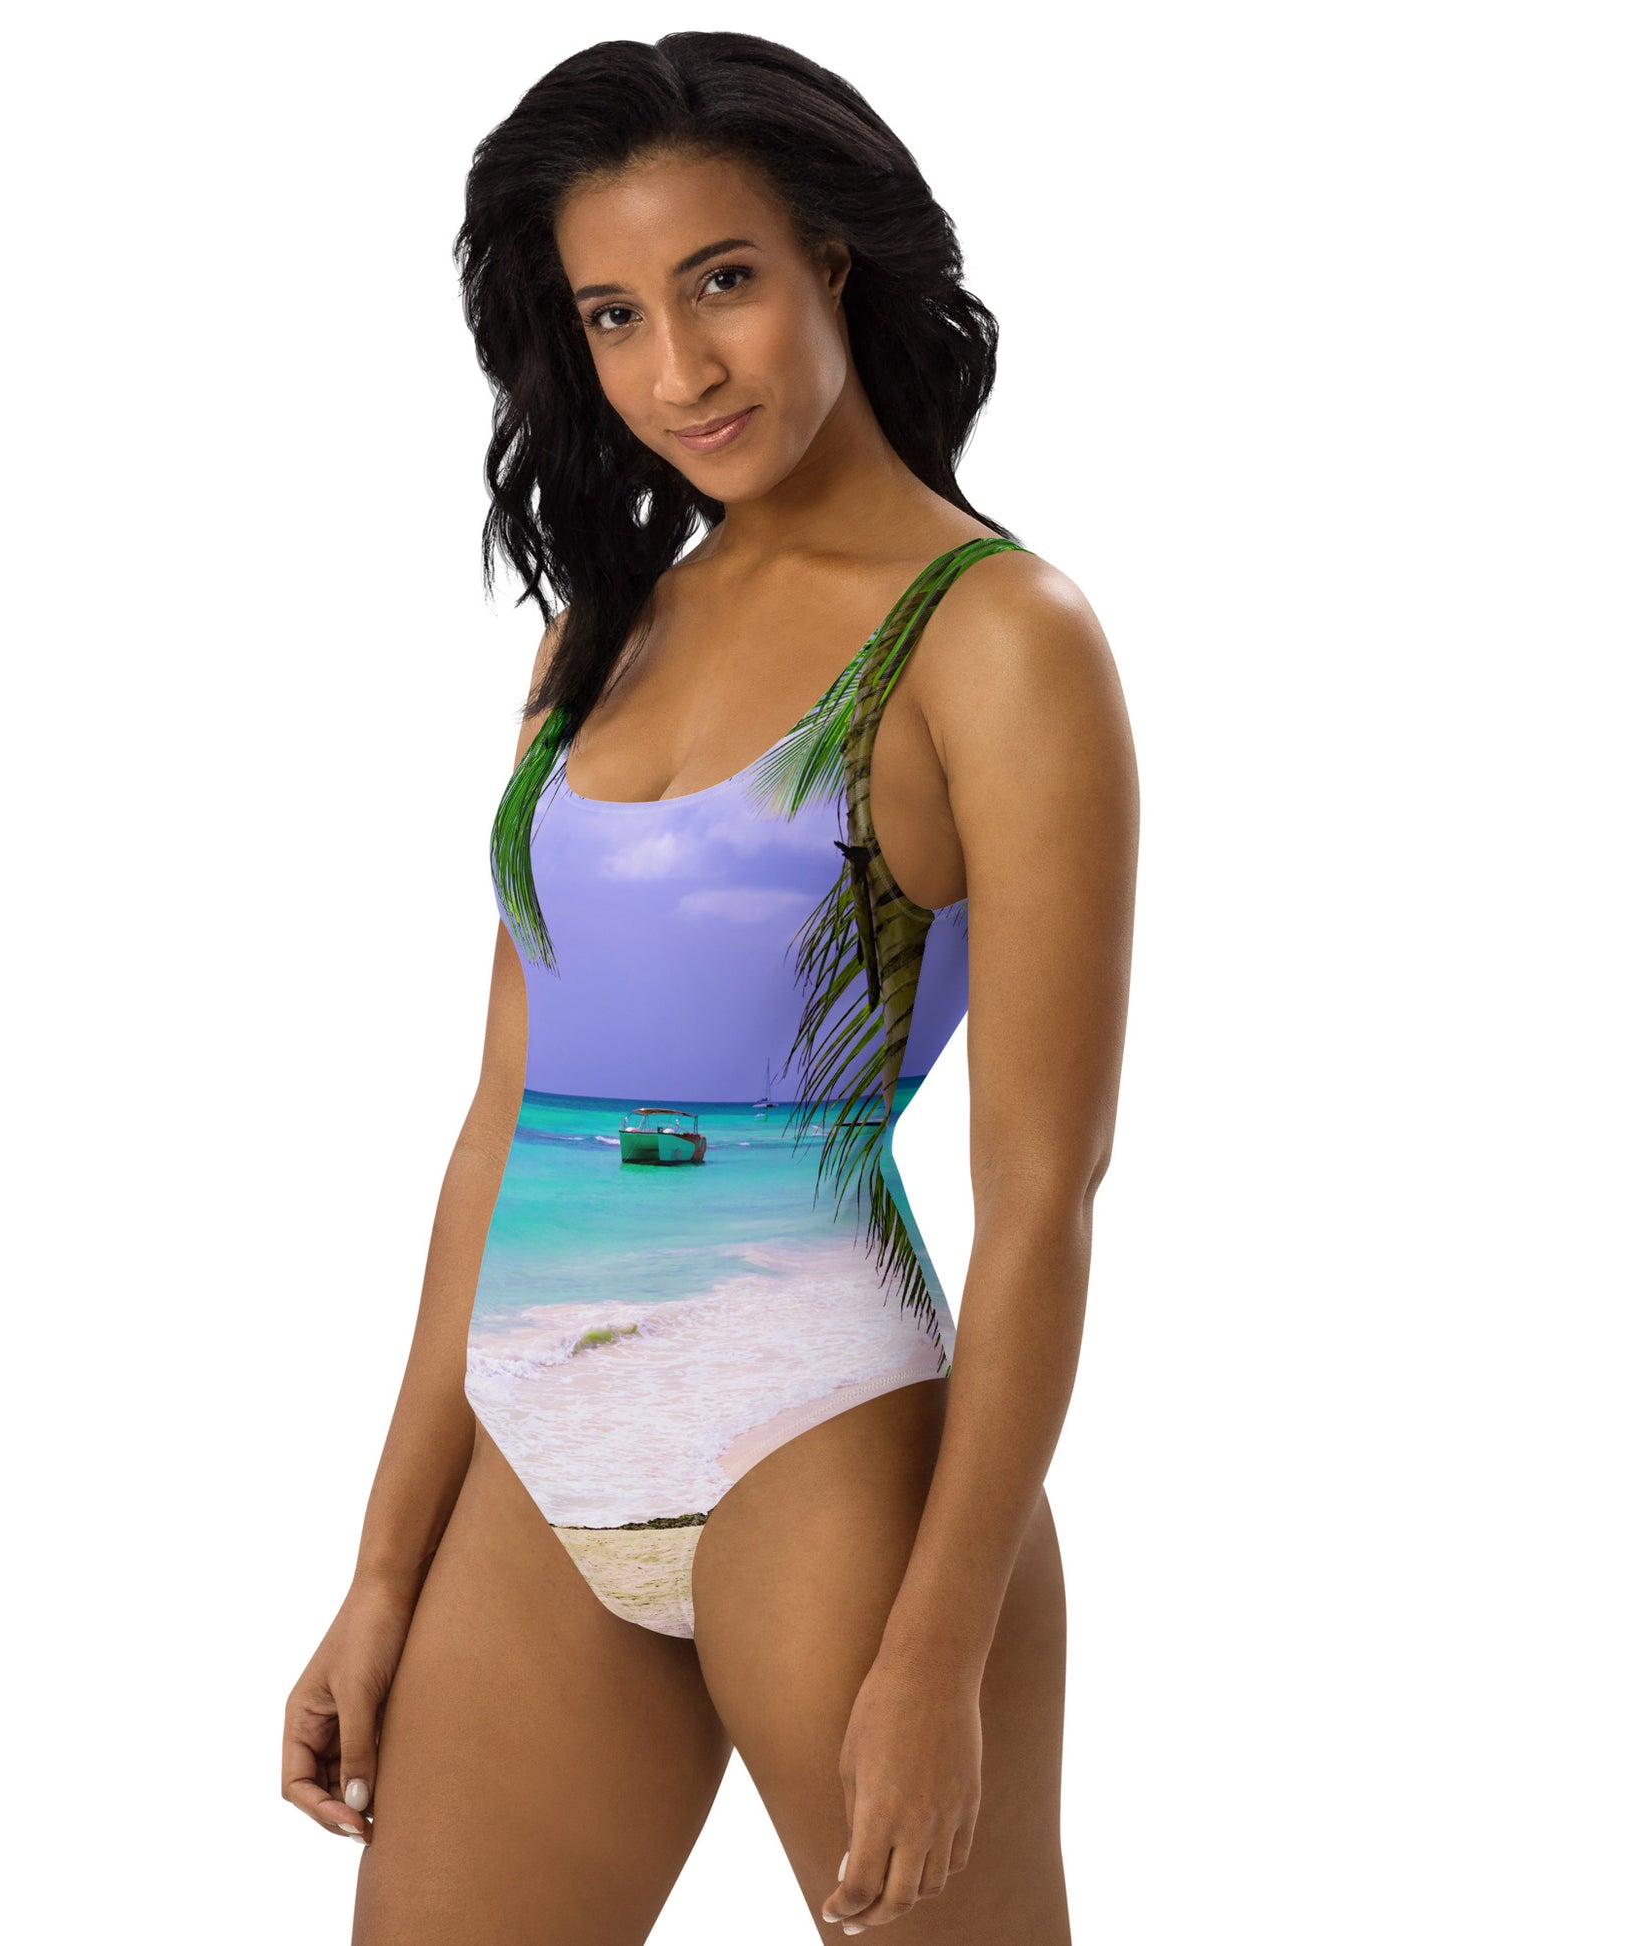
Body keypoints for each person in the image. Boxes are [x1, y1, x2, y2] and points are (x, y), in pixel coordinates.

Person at [282, 31, 1138, 1943]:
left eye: (721, 281)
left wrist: (936, 1650)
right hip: (539, 1446)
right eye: (614, 314)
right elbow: (501, 1118)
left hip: (821, 1442)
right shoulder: (595, 638)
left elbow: (1044, 1192)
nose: (678, 368)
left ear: (831, 257)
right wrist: (381, 1565)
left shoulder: (995, 635)